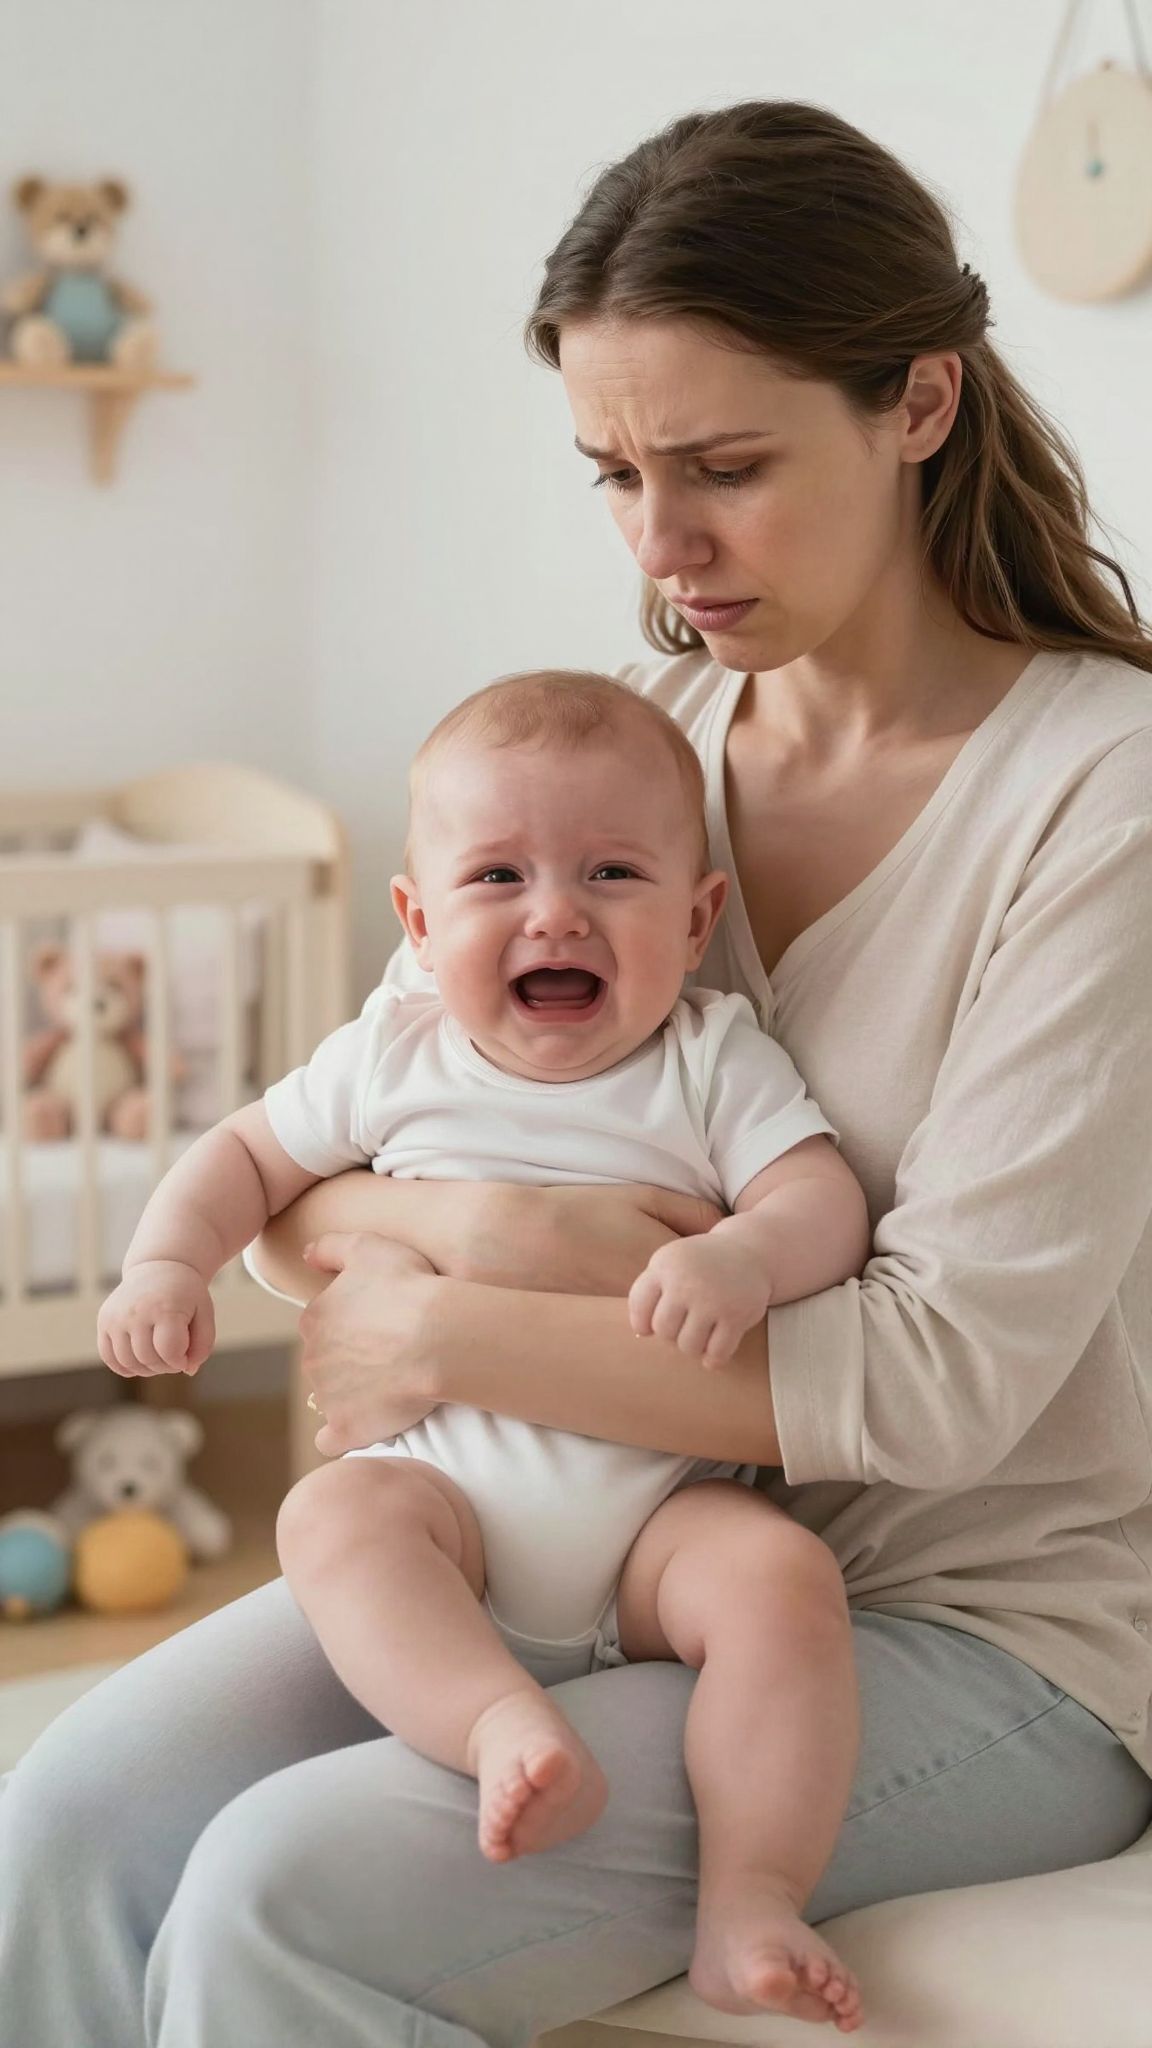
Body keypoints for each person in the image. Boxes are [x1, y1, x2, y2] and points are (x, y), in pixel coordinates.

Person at [2, 97, 1151, 2048]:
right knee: (56, 1826)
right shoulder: (634, 747)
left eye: (721, 467)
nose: (657, 543)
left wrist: (444, 1330)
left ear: (921, 404)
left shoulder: (1099, 792)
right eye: (613, 471)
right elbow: (317, 1180)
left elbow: (938, 1385)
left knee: (284, 1902)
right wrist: (491, 1225)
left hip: (979, 1635)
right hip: (563, 1541)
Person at [95, 669, 873, 2029]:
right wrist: (168, 1259)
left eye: (613, 873)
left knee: (782, 1582)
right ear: (417, 920)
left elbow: (823, 1201)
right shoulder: (392, 1053)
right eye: (499, 875)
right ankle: (491, 1722)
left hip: (655, 1529)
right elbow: (242, 1158)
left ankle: (749, 1889)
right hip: (447, 1511)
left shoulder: (710, 1062)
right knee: (339, 1516)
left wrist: (742, 1256)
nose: (555, 911)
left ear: (698, 922)